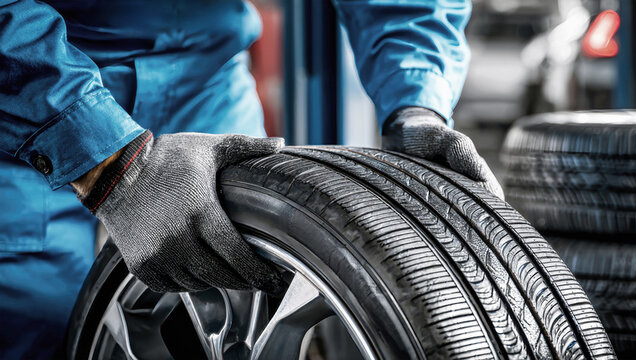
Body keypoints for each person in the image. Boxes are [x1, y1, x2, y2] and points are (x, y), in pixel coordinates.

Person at [0, 0, 504, 358]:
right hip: (30, 79)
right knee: (36, 326)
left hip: (205, 75)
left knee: (257, 284)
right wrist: (110, 168)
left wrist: (417, 105)